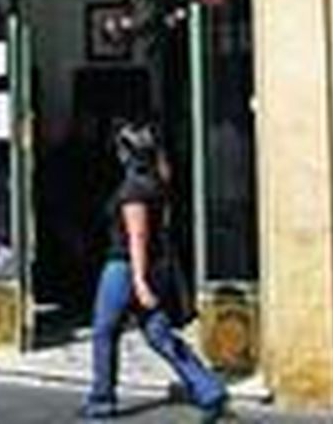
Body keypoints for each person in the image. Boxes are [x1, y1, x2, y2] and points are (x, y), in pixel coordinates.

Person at [81, 121, 226, 421]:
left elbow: (138, 237)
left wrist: (139, 280)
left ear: (127, 153)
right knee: (159, 334)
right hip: (147, 266)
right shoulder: (156, 181)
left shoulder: (134, 188)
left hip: (123, 267)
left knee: (104, 332)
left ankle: (101, 399)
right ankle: (209, 389)